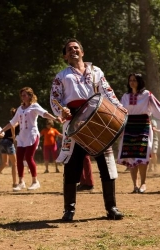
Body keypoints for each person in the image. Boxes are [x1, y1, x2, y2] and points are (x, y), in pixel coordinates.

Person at [50, 38, 126, 221]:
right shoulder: (61, 76)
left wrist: (119, 108)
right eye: (69, 49)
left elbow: (108, 92)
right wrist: (62, 110)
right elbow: (54, 98)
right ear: (65, 56)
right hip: (73, 121)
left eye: (76, 48)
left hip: (98, 118)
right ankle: (69, 210)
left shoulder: (96, 71)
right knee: (72, 165)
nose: (73, 50)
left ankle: (112, 208)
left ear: (82, 52)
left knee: (106, 162)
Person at [117, 73, 160, 194]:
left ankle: (143, 183)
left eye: (134, 80)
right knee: (131, 156)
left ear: (139, 81)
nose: (132, 82)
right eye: (130, 80)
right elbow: (119, 111)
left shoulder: (147, 95)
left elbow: (159, 108)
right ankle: (135, 185)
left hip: (143, 125)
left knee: (142, 155)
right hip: (129, 126)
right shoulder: (125, 96)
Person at [0, 87, 61, 191]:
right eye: (22, 95)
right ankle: (21, 182)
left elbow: (44, 113)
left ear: (30, 96)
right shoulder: (20, 108)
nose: (22, 97)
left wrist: (54, 118)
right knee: (19, 158)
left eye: (24, 95)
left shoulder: (34, 106)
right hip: (22, 136)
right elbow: (12, 122)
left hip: (32, 135)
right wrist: (2, 130)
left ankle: (35, 181)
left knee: (28, 157)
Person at [0, 108, 19, 188]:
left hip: (2, 142)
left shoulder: (11, 120)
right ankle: (15, 183)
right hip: (9, 142)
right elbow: (13, 127)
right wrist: (13, 138)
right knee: (14, 163)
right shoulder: (17, 121)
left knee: (4, 163)